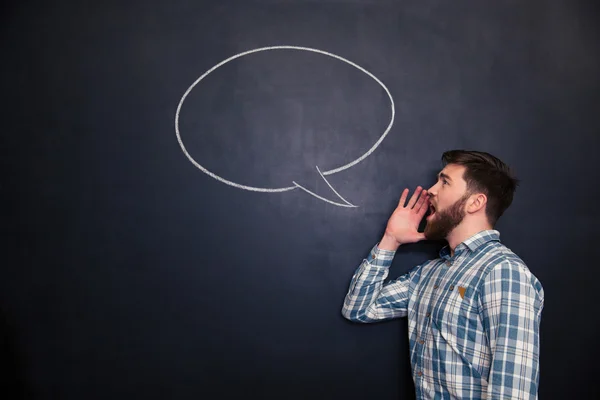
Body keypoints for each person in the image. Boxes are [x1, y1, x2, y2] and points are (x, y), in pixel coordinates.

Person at [342, 150, 544, 399]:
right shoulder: (430, 273)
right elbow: (358, 308)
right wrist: (391, 239)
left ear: (475, 202)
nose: (431, 190)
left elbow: (514, 393)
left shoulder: (503, 273)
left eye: (444, 182)